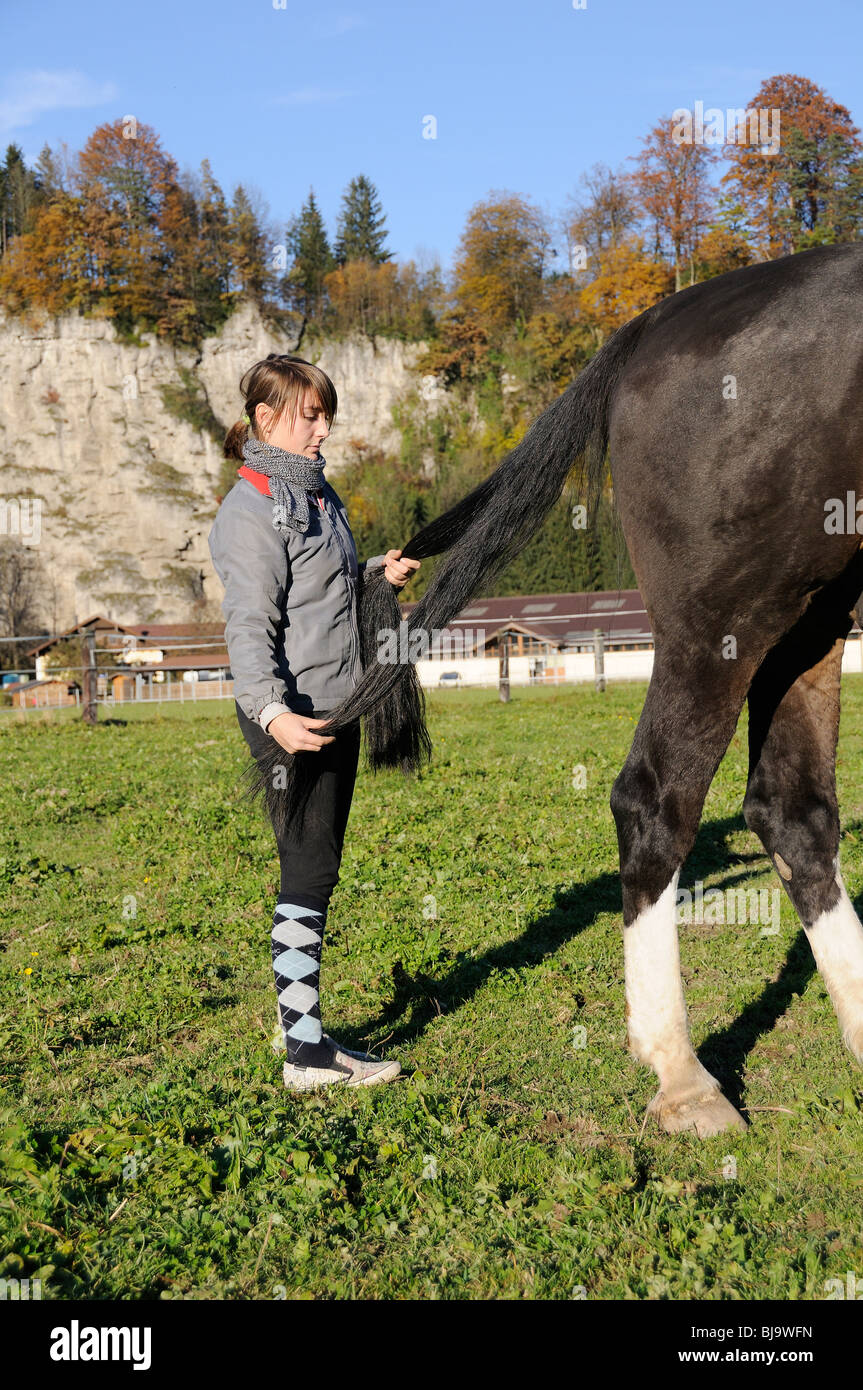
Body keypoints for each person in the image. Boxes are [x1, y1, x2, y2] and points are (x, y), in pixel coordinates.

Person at [208, 353, 420, 1091]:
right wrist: (274, 717)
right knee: (309, 867)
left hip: (335, 702)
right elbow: (249, 629)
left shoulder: (312, 492)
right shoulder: (249, 513)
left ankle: (294, 1017)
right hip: (293, 720)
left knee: (310, 864)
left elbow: (319, 593)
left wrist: (375, 578)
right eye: (311, 414)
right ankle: (306, 1055)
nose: (324, 427)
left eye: (326, 412)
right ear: (267, 419)